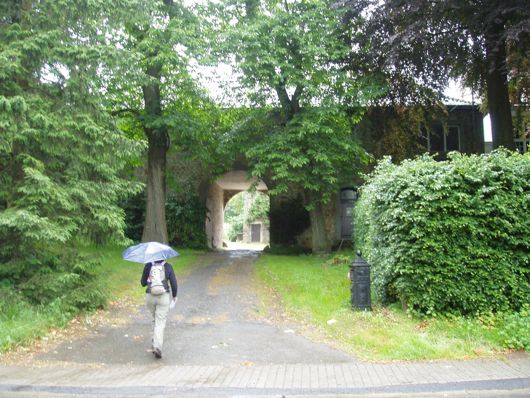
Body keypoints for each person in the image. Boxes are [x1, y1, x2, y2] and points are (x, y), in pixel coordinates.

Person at [140, 259, 178, 359]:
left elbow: (143, 283)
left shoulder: (148, 265)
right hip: (163, 297)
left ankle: (155, 341)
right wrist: (174, 296)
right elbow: (174, 284)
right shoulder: (168, 266)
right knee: (160, 322)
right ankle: (157, 346)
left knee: (157, 320)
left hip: (150, 296)